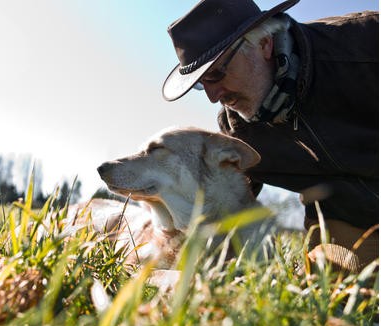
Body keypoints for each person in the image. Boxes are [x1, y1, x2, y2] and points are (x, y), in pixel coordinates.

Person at [162, 0, 378, 271]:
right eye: (200, 86)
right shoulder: (236, 132)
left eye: (216, 73)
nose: (213, 97)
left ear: (264, 43)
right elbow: (224, 207)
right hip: (348, 220)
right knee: (336, 300)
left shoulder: (367, 43)